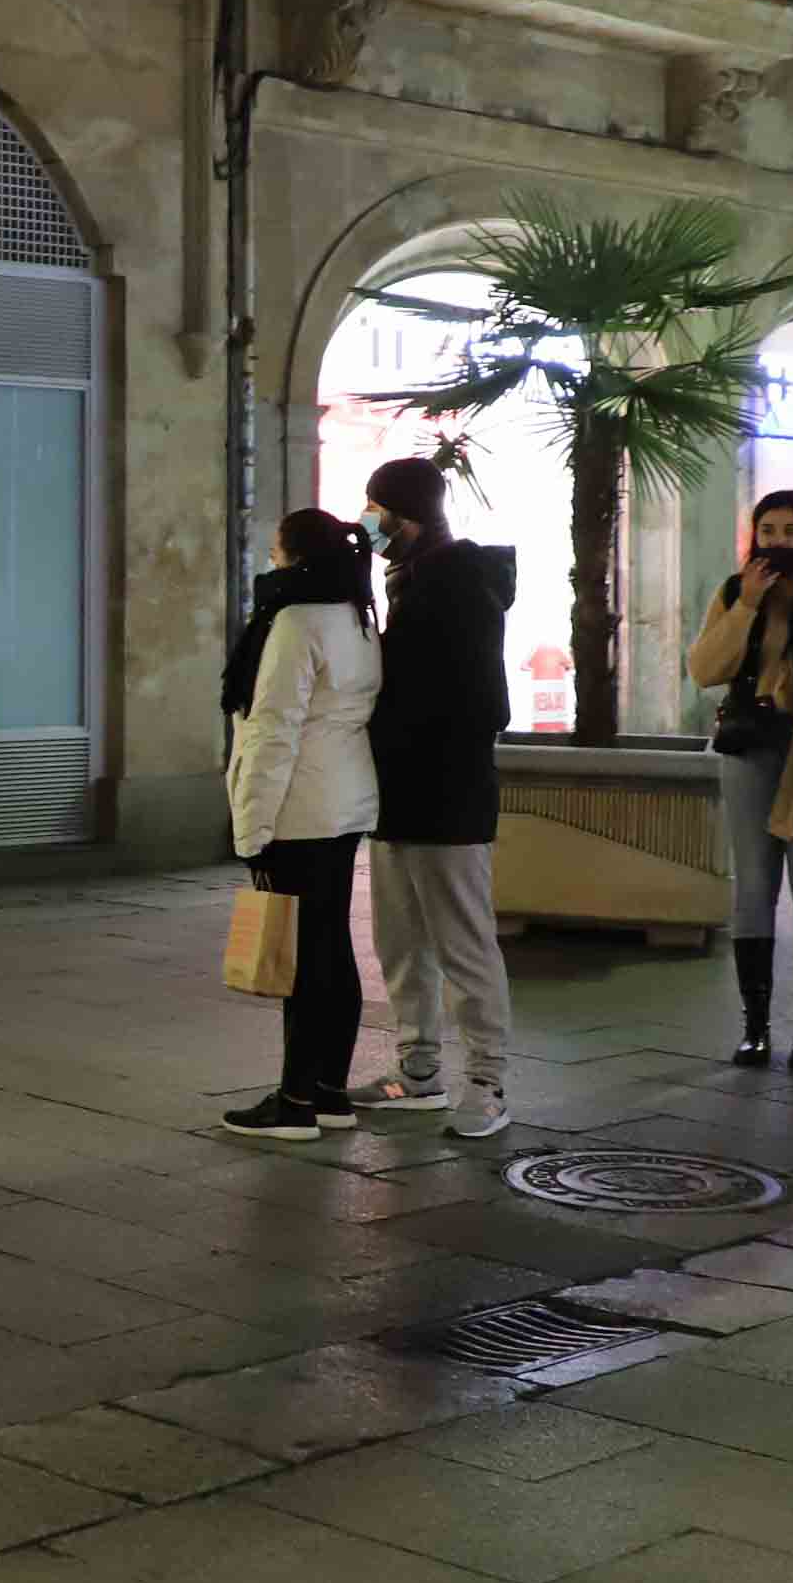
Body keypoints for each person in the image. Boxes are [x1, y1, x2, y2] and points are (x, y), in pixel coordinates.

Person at [216, 509, 385, 1139]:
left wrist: (250, 827)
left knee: (301, 956)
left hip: (298, 806)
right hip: (343, 800)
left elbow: (273, 730)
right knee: (330, 945)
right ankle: (329, 1092)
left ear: (296, 557)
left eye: (277, 549)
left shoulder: (293, 621)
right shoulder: (357, 617)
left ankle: (293, 1103)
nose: (270, 559)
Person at [363, 457, 515, 1138]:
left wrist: (400, 715)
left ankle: (487, 1082)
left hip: (449, 796)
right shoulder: (410, 579)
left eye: (378, 514)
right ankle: (418, 1070)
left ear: (410, 517)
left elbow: (485, 703)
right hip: (399, 793)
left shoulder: (459, 584)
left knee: (462, 944)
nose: (370, 526)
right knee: (401, 942)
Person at [687, 488, 793, 1069]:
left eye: (790, 531)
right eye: (768, 531)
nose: (778, 542)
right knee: (754, 886)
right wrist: (747, 607)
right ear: (753, 537)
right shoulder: (735, 592)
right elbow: (706, 670)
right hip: (749, 748)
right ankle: (755, 1026)